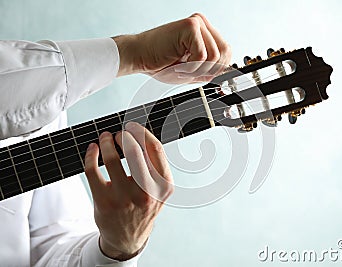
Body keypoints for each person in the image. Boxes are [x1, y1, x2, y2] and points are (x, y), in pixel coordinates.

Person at [0, 13, 231, 266]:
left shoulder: (38, 117)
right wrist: (130, 54)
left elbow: (51, 244)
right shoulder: (38, 108)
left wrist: (117, 250)